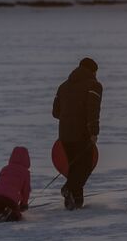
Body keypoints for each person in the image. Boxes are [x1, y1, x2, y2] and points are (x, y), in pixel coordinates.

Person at [52, 56, 102, 210]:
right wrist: (93, 132)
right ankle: (69, 188)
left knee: (75, 167)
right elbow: (92, 111)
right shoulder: (94, 86)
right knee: (85, 165)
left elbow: (55, 112)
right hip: (82, 134)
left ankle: (75, 202)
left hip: (65, 134)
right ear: (93, 71)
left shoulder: (63, 86)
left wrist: (69, 117)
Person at [0, 146, 31, 222]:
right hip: (10, 198)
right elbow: (26, 190)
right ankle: (9, 214)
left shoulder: (5, 168)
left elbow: (2, 183)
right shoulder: (25, 172)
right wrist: (24, 204)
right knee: (17, 215)